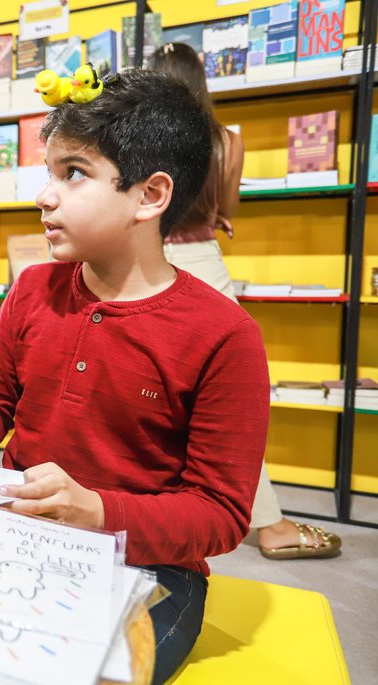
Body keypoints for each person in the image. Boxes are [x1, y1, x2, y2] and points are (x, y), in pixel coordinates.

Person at [0, 69, 270, 685]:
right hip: (19, 533)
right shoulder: (32, 289)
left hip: (150, 569)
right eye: (49, 171)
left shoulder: (226, 336)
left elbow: (221, 513)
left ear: (150, 196)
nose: (45, 195)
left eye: (74, 173)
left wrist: (97, 511)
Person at [149, 41, 341, 561]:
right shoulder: (227, 142)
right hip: (204, 261)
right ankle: (270, 525)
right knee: (225, 402)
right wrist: (213, 214)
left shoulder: (144, 137)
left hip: (144, 257)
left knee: (142, 387)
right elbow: (223, 207)